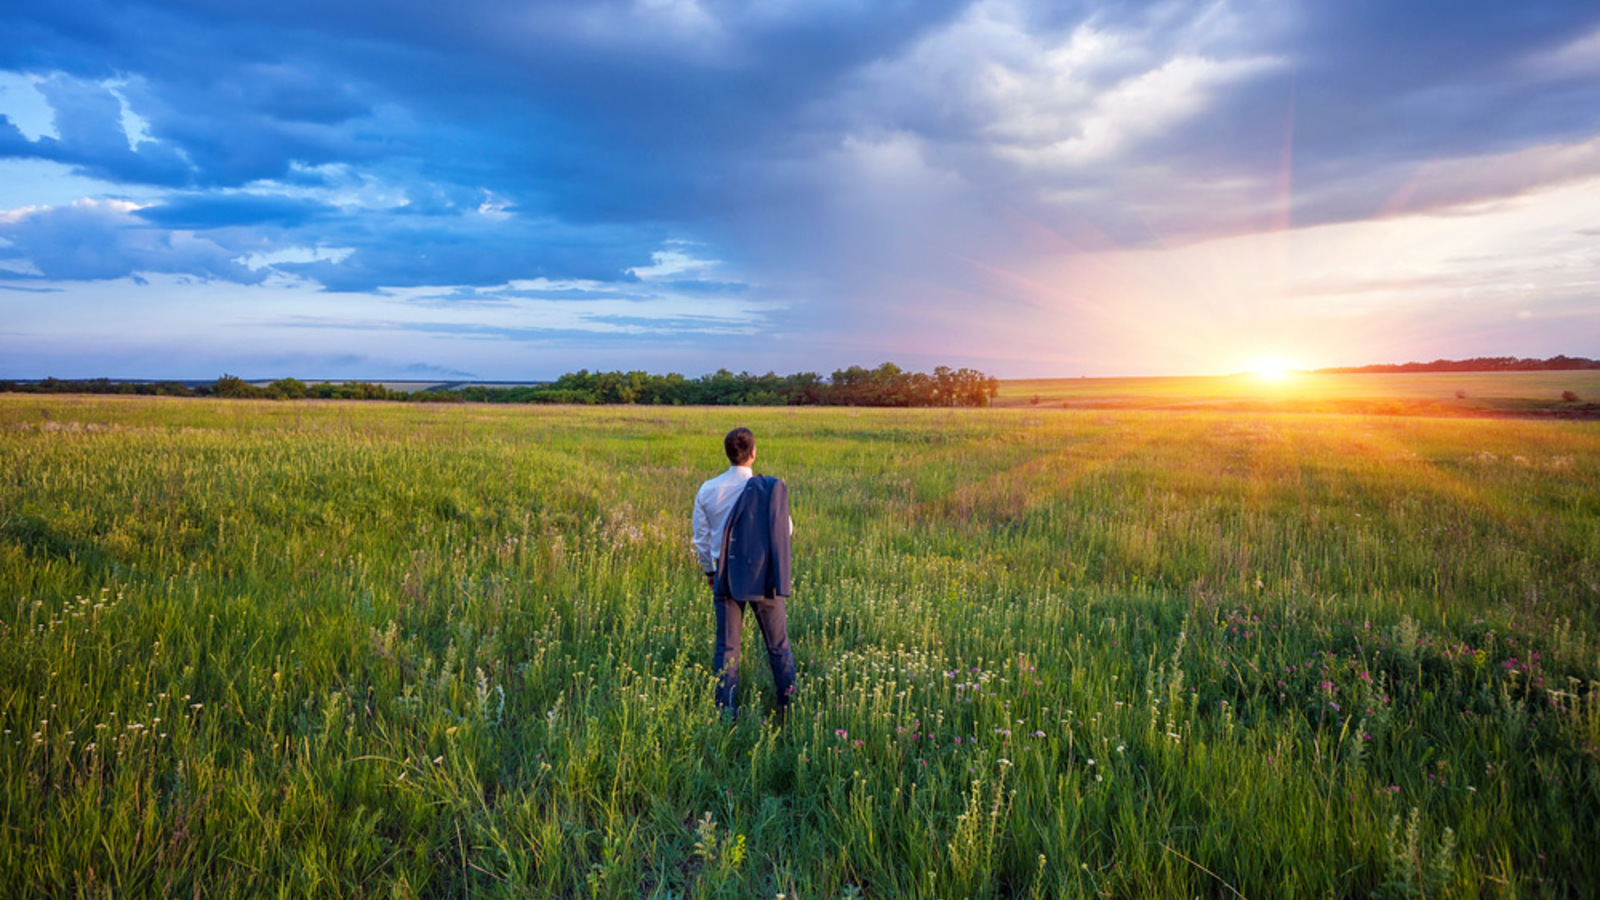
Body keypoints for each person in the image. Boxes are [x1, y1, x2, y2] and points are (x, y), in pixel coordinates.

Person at [692, 427, 795, 715]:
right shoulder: (769, 490)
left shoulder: (708, 489)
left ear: (728, 454)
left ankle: (726, 713)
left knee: (727, 649)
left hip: (724, 576)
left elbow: (701, 539)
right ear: (753, 453)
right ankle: (789, 707)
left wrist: (709, 573)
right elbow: (786, 530)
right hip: (764, 577)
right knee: (778, 646)